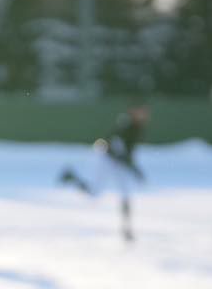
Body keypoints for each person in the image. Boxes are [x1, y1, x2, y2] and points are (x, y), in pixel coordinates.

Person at [59, 103, 149, 242]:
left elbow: (127, 153)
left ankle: (127, 229)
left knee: (125, 192)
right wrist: (132, 167)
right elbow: (113, 144)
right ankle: (71, 176)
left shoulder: (137, 127)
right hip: (105, 158)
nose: (142, 114)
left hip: (118, 161)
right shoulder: (126, 125)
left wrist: (133, 168)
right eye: (139, 111)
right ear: (132, 111)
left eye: (144, 112)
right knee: (94, 192)